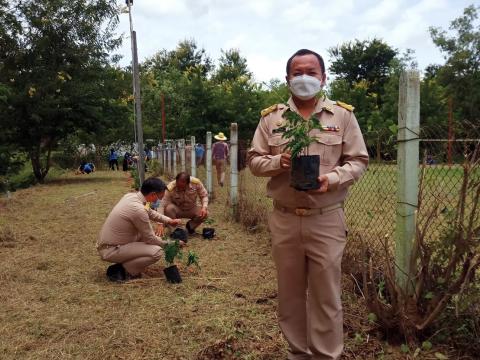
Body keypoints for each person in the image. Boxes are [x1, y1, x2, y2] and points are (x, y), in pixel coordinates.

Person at [247, 49, 369, 360]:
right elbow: (254, 161)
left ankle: (326, 355)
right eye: (297, 72)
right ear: (287, 78)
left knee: (326, 296)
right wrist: (278, 160)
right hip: (285, 219)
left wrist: (333, 178)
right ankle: (297, 353)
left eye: (311, 72)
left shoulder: (342, 116)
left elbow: (358, 161)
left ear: (323, 77)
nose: (304, 78)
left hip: (326, 218)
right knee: (289, 295)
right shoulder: (271, 118)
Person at [97, 177, 183, 281]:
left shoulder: (132, 197)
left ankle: (126, 264)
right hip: (110, 249)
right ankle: (121, 270)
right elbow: (150, 239)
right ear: (153, 194)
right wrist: (171, 244)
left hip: (113, 243)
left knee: (147, 239)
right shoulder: (138, 210)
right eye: (159, 198)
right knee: (156, 252)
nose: (158, 201)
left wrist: (169, 220)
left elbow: (150, 212)